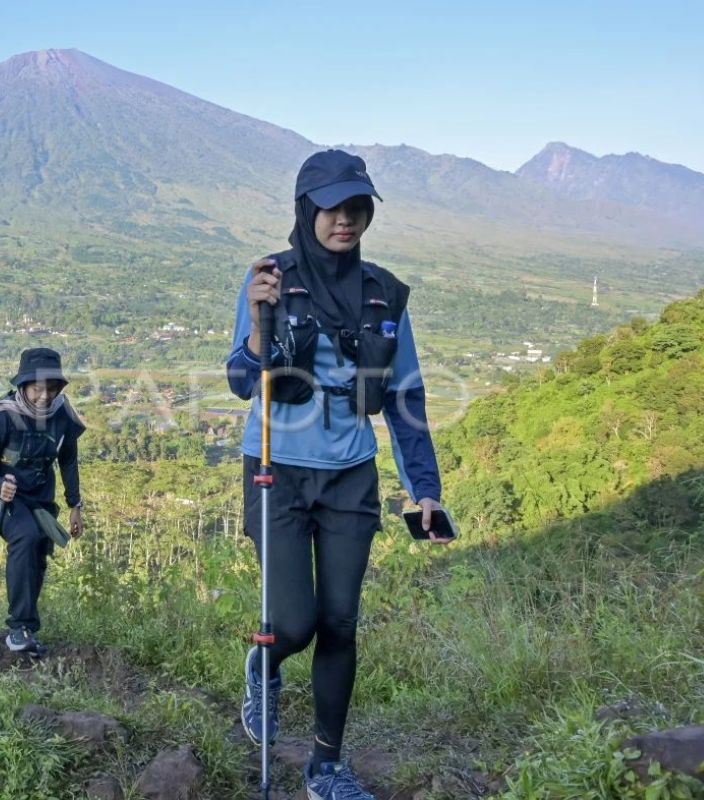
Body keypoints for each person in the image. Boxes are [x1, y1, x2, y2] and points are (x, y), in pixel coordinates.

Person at [225, 149, 452, 799]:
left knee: (341, 621)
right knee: (293, 622)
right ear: (306, 209)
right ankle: (264, 663)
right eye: (332, 206)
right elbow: (242, 381)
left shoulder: (383, 293)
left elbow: (405, 396)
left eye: (357, 206)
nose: (345, 219)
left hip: (351, 475)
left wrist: (425, 489)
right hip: (278, 469)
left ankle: (326, 765)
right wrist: (257, 335)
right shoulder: (268, 279)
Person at [0, 347, 85, 655]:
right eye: (37, 388)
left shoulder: (62, 415)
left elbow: (68, 460)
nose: (44, 395)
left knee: (39, 547)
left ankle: (27, 627)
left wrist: (75, 505)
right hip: (2, 493)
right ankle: (19, 627)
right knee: (25, 536)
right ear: (24, 386)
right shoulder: (5, 415)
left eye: (50, 388)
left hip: (39, 493)